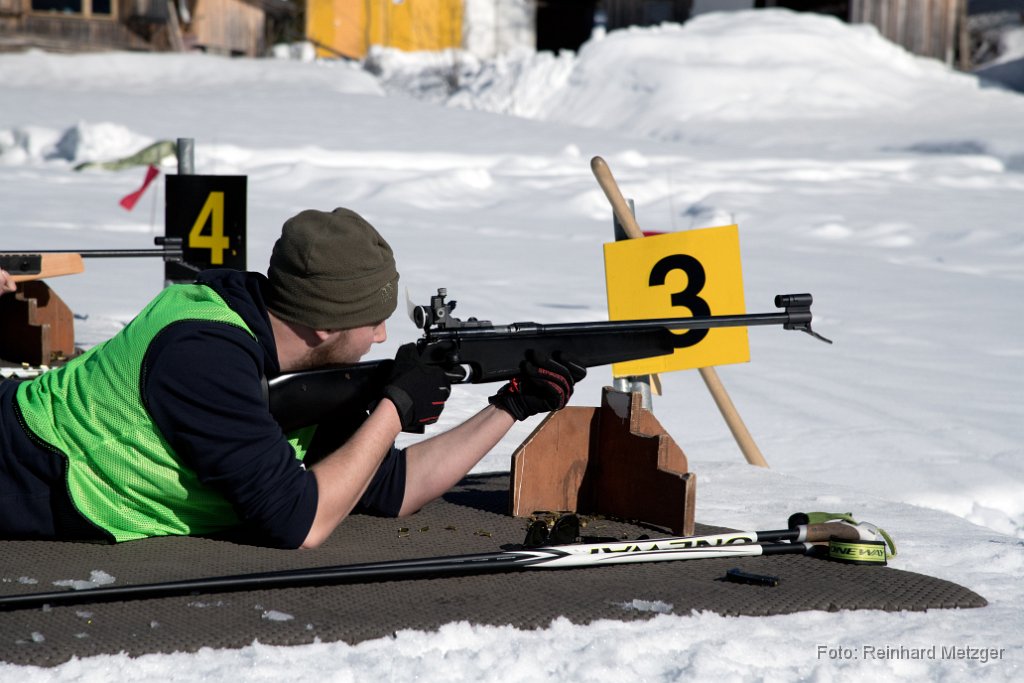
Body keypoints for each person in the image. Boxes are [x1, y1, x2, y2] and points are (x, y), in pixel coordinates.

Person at [0, 208, 585, 549]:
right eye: (372, 324)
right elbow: (302, 523)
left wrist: (510, 407)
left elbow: (391, 489)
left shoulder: (291, 360)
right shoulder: (206, 358)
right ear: (324, 326)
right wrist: (393, 408)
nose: (381, 339)